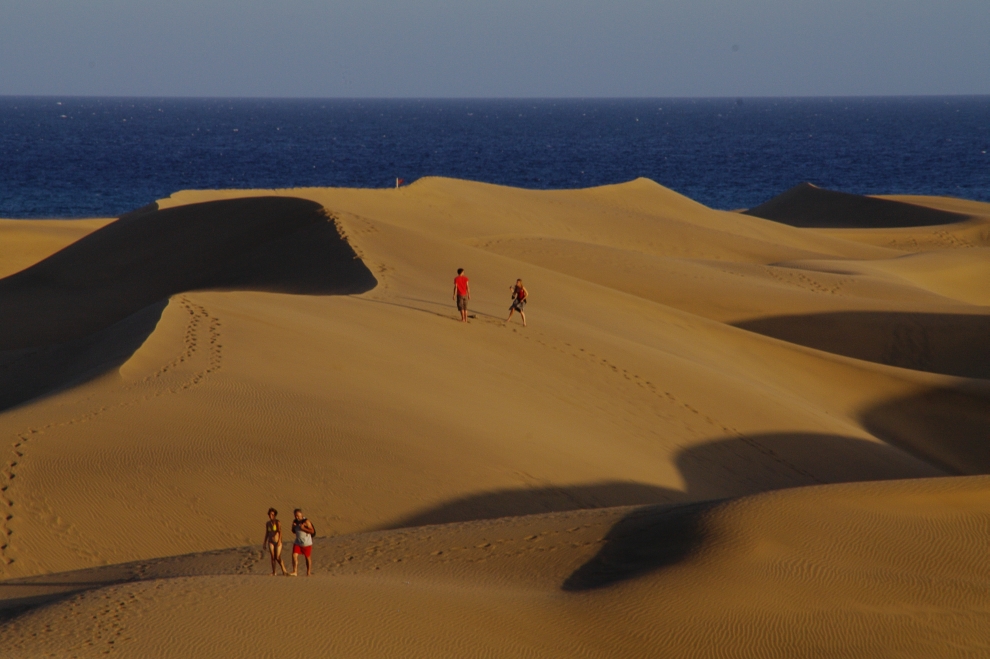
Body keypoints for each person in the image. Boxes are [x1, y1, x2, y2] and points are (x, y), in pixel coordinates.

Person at [289, 508, 315, 576]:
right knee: (294, 555)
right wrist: (293, 527)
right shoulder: (295, 521)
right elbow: (294, 531)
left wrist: (303, 528)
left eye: (298, 516)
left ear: (301, 515)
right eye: (295, 516)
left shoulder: (306, 521)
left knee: (307, 557)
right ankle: (295, 571)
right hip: (298, 542)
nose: (296, 517)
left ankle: (308, 572)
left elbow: (312, 531)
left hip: (306, 543)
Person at [263, 507, 289, 576]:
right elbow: (267, 533)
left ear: (275, 515)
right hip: (270, 541)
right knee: (272, 556)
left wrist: (279, 541)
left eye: (272, 514)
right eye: (270, 514)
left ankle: (283, 569)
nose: (271, 516)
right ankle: (274, 572)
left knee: (277, 557)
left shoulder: (277, 522)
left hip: (277, 541)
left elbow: (280, 531)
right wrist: (264, 542)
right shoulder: (268, 523)